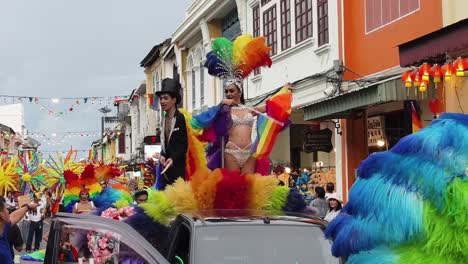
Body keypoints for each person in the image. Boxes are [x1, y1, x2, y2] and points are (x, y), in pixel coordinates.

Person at [155, 78, 188, 189]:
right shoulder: (163, 119)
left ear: (174, 100)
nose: (162, 101)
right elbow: (165, 145)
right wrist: (163, 156)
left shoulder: (180, 118)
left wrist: (173, 158)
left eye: (165, 98)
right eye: (161, 98)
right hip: (165, 173)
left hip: (179, 172)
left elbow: (184, 145)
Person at [0, 195, 38, 264]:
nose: (8, 211)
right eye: (5, 209)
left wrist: (27, 207)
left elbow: (13, 217)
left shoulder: (3, 227)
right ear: (2, 215)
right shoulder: (2, 254)